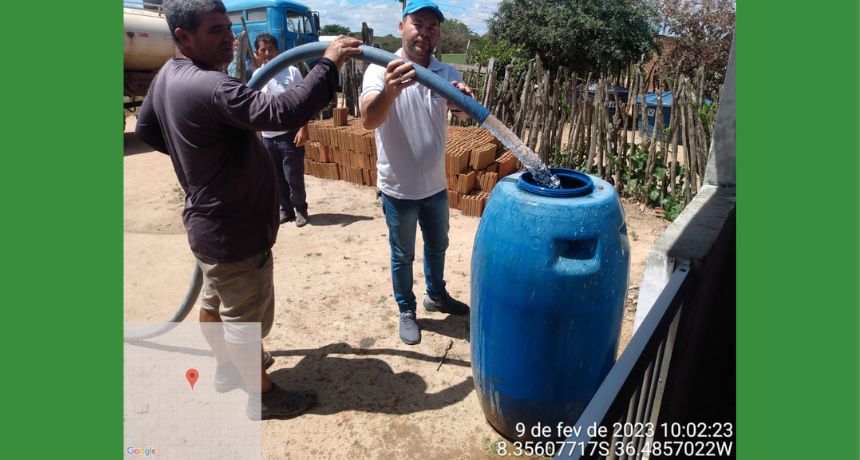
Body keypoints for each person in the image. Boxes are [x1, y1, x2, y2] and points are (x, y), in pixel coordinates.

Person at [136, 0, 361, 419]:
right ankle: (263, 396)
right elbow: (283, 111)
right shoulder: (210, 86)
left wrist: (201, 159)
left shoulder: (169, 75)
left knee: (213, 304)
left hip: (209, 229)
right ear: (182, 36)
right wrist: (327, 63)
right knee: (244, 322)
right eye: (214, 31)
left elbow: (148, 128)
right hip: (234, 233)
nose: (227, 38)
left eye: (227, 27)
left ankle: (225, 368)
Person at [360, 0, 474, 345]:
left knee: (438, 246)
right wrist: (391, 91)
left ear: (438, 33)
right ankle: (406, 309)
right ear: (402, 27)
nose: (425, 32)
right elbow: (368, 119)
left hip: (435, 186)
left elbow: (464, 113)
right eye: (418, 24)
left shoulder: (446, 73)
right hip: (398, 189)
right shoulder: (381, 69)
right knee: (403, 255)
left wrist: (462, 101)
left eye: (432, 27)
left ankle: (436, 296)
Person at [252, 33, 311, 227]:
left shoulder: (291, 72)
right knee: (276, 178)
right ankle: (285, 210)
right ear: (257, 53)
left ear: (278, 50)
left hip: (290, 135)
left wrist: (304, 128)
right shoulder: (256, 76)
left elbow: (304, 102)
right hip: (268, 138)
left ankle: (300, 209)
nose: (267, 53)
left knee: (293, 177)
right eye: (263, 50)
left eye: (271, 49)